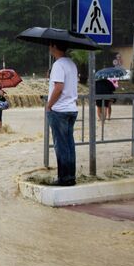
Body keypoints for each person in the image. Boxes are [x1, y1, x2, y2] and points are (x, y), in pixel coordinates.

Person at [46, 42, 79, 186]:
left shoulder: (58, 65)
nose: (49, 47)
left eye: (50, 45)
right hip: (72, 108)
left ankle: (64, 178)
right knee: (69, 144)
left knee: (61, 145)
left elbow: (59, 88)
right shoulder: (71, 63)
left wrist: (49, 105)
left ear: (54, 47)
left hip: (59, 110)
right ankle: (70, 176)